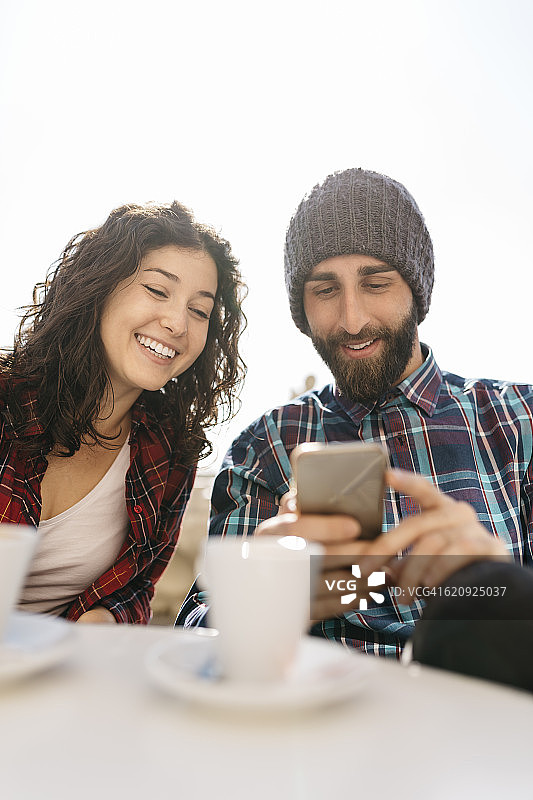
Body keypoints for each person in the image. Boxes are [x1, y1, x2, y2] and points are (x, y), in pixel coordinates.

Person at [177, 168, 533, 662]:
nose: (352, 320)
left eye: (376, 283)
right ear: (302, 309)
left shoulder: (519, 419)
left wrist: (500, 586)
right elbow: (195, 636)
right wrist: (262, 596)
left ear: (416, 291)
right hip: (323, 704)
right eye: (325, 290)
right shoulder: (267, 444)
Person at [1, 201, 245, 624]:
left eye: (199, 310)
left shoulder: (171, 451)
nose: (178, 324)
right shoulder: (7, 400)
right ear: (100, 287)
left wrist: (105, 621)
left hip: (64, 660)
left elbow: (136, 588)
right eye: (158, 290)